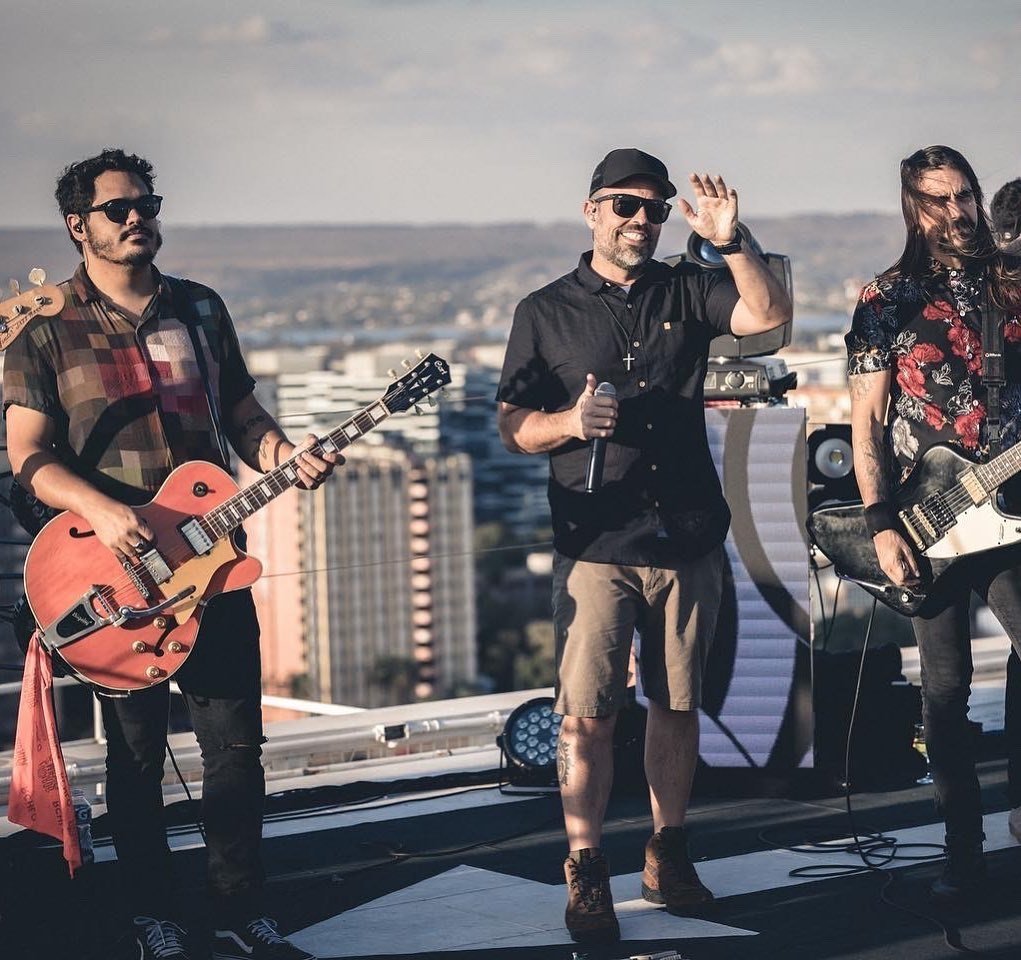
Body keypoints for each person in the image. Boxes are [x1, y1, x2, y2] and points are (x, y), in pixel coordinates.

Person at [2, 148, 338, 960]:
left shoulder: (199, 308)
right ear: (77, 225)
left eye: (146, 205)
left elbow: (242, 413)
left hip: (212, 567)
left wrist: (284, 454)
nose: (136, 219)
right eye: (117, 208)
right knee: (134, 761)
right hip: (112, 582)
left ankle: (240, 907)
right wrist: (99, 508)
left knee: (236, 753)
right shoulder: (44, 328)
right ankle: (153, 916)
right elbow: (27, 457)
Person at [496, 147, 791, 943]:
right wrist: (568, 423)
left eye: (654, 209)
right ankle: (585, 867)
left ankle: (667, 852)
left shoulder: (687, 288)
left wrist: (730, 241)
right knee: (585, 716)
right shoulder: (544, 310)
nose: (640, 220)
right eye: (624, 205)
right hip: (595, 542)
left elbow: (766, 317)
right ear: (590, 210)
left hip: (686, 534)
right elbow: (513, 425)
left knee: (676, 704)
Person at [846, 145, 1021, 902]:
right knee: (944, 694)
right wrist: (882, 524)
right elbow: (866, 423)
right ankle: (962, 851)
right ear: (912, 208)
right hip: (928, 518)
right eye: (939, 200)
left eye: (966, 196)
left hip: (1011, 508)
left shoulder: (1010, 281)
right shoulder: (885, 298)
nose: (958, 212)